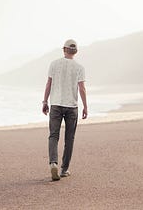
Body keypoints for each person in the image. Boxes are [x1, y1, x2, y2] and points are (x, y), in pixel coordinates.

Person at [42, 39, 88, 181]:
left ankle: (53, 163)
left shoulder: (54, 64)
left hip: (56, 104)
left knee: (53, 136)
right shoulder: (79, 67)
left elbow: (49, 84)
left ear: (64, 49)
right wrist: (85, 106)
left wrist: (45, 101)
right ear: (76, 51)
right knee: (69, 138)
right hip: (72, 106)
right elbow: (81, 88)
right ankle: (64, 169)